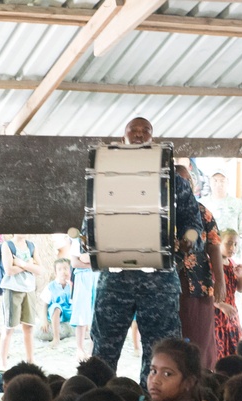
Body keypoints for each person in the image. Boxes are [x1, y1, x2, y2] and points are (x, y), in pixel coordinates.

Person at [88, 117, 204, 386]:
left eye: (145, 132)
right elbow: (91, 222)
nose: (139, 135)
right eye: (133, 131)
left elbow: (194, 226)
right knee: (104, 349)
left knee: (161, 352)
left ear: (153, 138)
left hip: (159, 281)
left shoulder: (175, 181)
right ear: (123, 138)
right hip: (115, 280)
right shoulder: (105, 177)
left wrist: (188, 240)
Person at [175, 165, 224, 370]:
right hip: (168, 285)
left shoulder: (203, 212)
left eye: (186, 181)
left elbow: (214, 246)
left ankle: (203, 383)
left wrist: (220, 280)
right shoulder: (160, 212)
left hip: (198, 284)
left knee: (200, 340)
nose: (182, 185)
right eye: (178, 180)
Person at [0, 233, 42, 368]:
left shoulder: (31, 245)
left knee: (28, 326)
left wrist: (20, 263)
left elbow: (40, 269)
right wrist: (29, 265)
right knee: (9, 327)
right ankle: (3, 362)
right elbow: (9, 270)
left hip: (29, 289)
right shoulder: (7, 245)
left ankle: (30, 360)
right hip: (12, 289)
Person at [214, 229, 242, 359]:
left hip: (231, 315)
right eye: (228, 243)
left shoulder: (232, 263)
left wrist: (241, 277)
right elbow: (207, 291)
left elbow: (240, 289)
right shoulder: (212, 264)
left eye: (236, 244)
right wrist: (221, 305)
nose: (232, 248)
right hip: (217, 315)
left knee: (236, 351)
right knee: (220, 353)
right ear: (219, 243)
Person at [201, 169, 242, 241]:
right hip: (210, 248)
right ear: (210, 182)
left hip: (232, 249)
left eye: (222, 181)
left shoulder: (237, 204)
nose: (219, 184)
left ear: (228, 182)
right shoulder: (202, 204)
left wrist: (237, 248)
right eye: (215, 181)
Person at [39, 258, 74, 349]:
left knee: (81, 303)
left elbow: (74, 301)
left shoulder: (73, 285)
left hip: (69, 310)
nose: (63, 272)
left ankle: (84, 331)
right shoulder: (51, 286)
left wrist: (71, 287)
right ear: (56, 272)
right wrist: (44, 320)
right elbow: (44, 305)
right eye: (60, 269)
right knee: (56, 307)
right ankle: (56, 337)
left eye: (66, 268)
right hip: (57, 311)